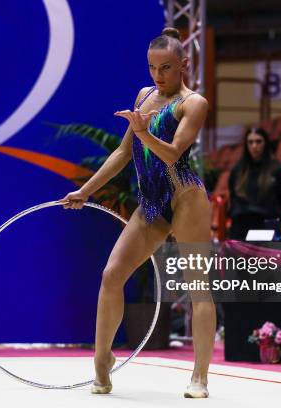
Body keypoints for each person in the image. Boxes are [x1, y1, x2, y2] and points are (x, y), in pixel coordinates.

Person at [61, 27, 214, 398]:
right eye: (151, 67)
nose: (157, 76)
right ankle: (102, 360)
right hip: (151, 202)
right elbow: (121, 153)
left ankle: (200, 377)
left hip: (185, 199)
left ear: (183, 65)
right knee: (112, 274)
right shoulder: (144, 96)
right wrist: (85, 191)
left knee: (197, 288)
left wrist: (144, 132)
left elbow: (174, 153)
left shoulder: (193, 103)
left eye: (165, 68)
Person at [227, 128, 281, 240]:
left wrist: (273, 222)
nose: (254, 146)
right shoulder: (237, 171)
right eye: (250, 142)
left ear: (265, 143)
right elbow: (233, 199)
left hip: (266, 226)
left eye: (258, 141)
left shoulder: (278, 170)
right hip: (240, 228)